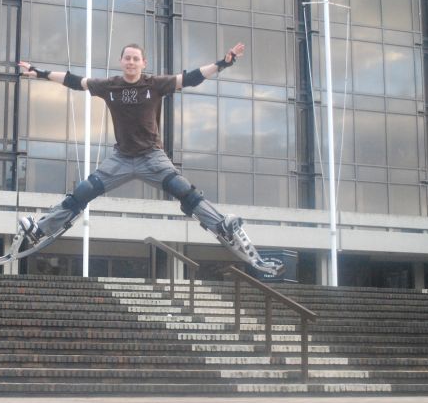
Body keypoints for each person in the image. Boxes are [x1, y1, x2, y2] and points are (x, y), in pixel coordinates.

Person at [14, 43, 283, 276]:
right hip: (121, 158)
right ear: (121, 62)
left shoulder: (154, 84)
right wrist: (40, 73)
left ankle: (221, 225)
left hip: (152, 157)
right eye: (127, 58)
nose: (131, 62)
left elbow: (190, 78)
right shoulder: (109, 86)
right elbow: (75, 81)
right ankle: (41, 228)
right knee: (83, 192)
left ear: (143, 63)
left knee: (184, 191)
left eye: (135, 58)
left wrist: (222, 63)